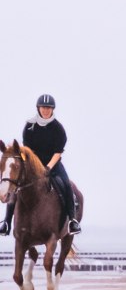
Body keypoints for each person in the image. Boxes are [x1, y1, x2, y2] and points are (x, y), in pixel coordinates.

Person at [0, 94, 81, 236]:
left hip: (53, 164)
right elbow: (28, 149)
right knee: (16, 187)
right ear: (38, 108)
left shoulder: (58, 128)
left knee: (67, 185)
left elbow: (58, 152)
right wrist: (35, 166)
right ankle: (6, 222)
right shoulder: (29, 126)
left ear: (52, 109)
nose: (45, 110)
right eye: (43, 107)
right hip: (33, 164)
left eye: (48, 108)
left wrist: (48, 167)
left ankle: (72, 221)